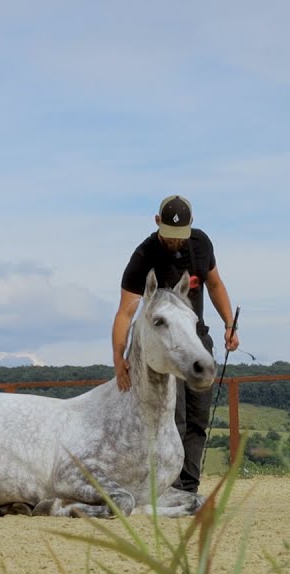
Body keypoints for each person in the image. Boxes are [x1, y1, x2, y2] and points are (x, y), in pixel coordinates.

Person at [112, 195, 240, 494]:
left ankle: (189, 488)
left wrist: (229, 325)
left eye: (180, 235)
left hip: (195, 338)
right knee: (176, 418)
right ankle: (172, 488)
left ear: (191, 224)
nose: (175, 241)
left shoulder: (201, 244)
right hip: (163, 348)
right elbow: (125, 311)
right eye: (169, 235)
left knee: (198, 418)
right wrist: (118, 358)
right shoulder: (143, 256)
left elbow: (215, 284)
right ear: (157, 222)